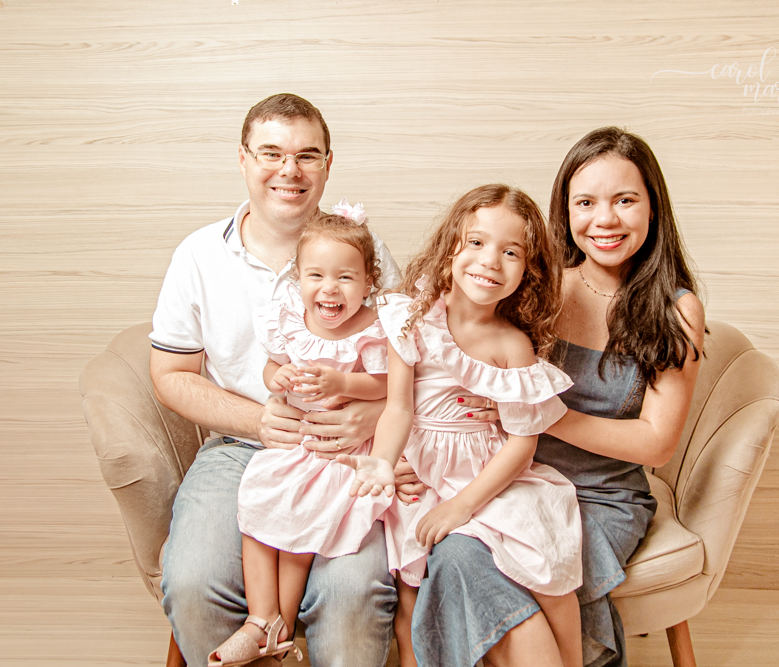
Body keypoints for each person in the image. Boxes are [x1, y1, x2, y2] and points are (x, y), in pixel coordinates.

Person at [413, 128, 706, 667]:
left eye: (625, 200)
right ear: (564, 211)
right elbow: (454, 369)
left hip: (601, 498)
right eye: (586, 203)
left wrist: (540, 416)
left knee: (519, 568)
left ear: (653, 206)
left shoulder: (675, 309)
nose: (605, 220)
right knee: (454, 553)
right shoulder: (541, 286)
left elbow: (657, 443)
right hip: (516, 479)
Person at [148, 93, 404, 667]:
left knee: (352, 594)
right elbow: (169, 374)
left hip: (345, 449)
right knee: (191, 584)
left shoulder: (366, 251)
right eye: (272, 153)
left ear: (328, 165)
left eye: (307, 156)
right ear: (243, 159)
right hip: (240, 447)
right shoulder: (198, 256)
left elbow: (406, 366)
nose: (290, 171)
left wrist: (367, 413)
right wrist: (256, 418)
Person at [341, 184, 585, 667]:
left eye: (510, 251)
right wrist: (384, 464)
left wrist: (460, 505)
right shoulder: (410, 319)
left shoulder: (513, 345)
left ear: (528, 270)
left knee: (545, 562)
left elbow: (521, 446)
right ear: (450, 244)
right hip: (423, 474)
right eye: (476, 242)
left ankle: (573, 659)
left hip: (488, 476)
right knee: (411, 582)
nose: (490, 260)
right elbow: (398, 408)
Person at [208, 211, 394, 667]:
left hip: (340, 450)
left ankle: (280, 628)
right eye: (316, 275)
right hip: (296, 442)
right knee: (257, 506)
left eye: (345, 277)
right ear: (298, 277)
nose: (329, 289)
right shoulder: (290, 317)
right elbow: (272, 368)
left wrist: (342, 385)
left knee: (300, 526)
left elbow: (387, 385)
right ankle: (260, 619)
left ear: (369, 281)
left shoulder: (375, 326)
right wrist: (281, 376)